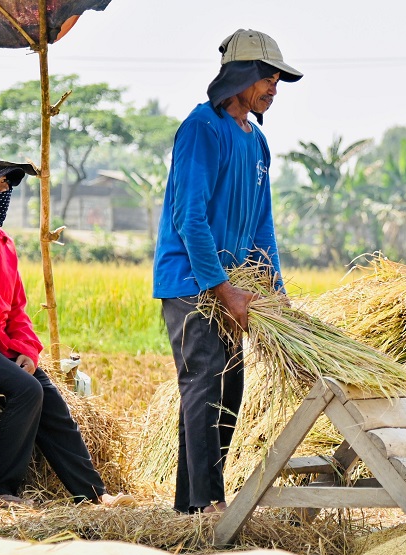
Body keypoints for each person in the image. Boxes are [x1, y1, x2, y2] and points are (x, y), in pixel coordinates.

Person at [153, 29, 302, 514]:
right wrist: (222, 289)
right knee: (204, 379)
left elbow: (263, 226)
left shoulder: (256, 143)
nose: (274, 87)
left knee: (228, 388)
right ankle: (208, 503)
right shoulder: (202, 128)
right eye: (267, 77)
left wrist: (275, 291)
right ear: (239, 77)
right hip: (193, 282)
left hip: (233, 284)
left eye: (277, 79)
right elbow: (188, 217)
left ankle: (188, 506)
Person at [0, 138, 131, 509]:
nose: (4, 190)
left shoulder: (3, 243)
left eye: (6, 183)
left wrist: (26, 349)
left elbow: (17, 311)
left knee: (50, 397)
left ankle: (93, 493)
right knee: (27, 391)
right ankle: (0, 491)